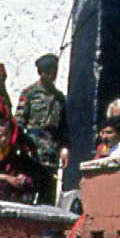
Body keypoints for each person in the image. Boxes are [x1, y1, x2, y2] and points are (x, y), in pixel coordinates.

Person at [15, 54, 70, 194]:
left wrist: (64, 149)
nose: (52, 76)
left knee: (48, 192)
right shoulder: (29, 94)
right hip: (33, 149)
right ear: (40, 72)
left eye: (54, 72)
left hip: (51, 151)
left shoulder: (59, 97)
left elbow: (64, 128)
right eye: (48, 72)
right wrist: (22, 146)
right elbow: (19, 123)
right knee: (29, 190)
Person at [0, 116, 36, 202]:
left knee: (28, 180)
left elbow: (14, 168)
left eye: (7, 135)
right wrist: (6, 177)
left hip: (9, 180)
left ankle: (10, 194)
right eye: (0, 135)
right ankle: (14, 195)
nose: (4, 138)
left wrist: (20, 175)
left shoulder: (11, 149)